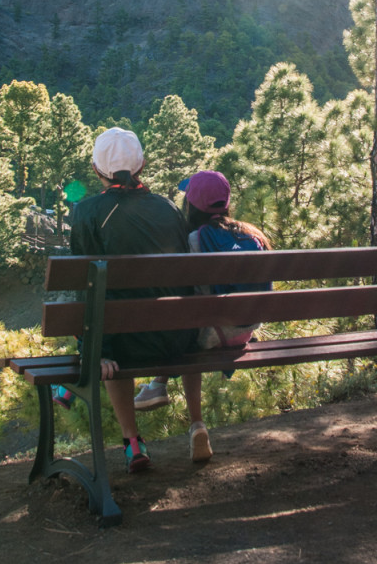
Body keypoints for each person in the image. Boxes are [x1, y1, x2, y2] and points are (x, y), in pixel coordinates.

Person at [63, 127, 211, 471]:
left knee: (111, 328)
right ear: (142, 165)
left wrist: (94, 350)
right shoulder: (169, 209)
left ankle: (132, 442)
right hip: (176, 340)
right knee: (122, 320)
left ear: (97, 170)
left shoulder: (86, 213)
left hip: (121, 349)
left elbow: (84, 288)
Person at [134, 169, 272, 449]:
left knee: (188, 320)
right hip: (246, 331)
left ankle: (183, 409)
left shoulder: (193, 240)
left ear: (192, 206)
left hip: (211, 335)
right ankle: (161, 389)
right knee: (196, 316)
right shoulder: (252, 235)